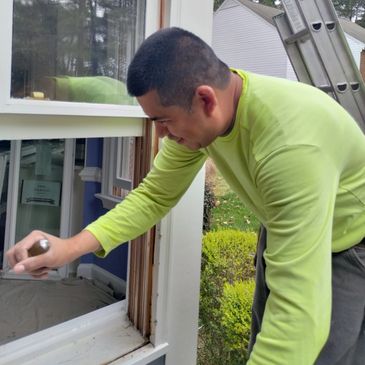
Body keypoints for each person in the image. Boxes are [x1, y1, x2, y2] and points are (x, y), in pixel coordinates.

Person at [6, 27, 365, 365]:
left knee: (313, 350)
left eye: (164, 121)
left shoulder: (291, 146)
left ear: (205, 99)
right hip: (285, 227)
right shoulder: (204, 114)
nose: (162, 135)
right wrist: (70, 247)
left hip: (349, 246)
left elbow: (298, 316)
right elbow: (153, 197)